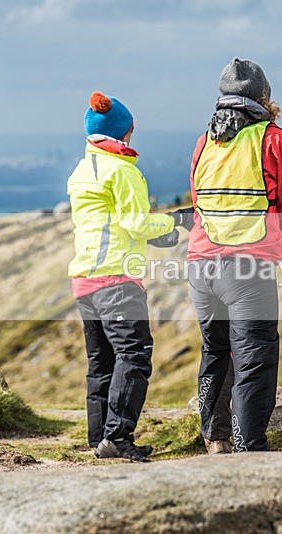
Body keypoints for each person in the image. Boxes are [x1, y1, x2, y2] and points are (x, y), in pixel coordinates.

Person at [186, 58, 282, 452]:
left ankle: (215, 439)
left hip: (200, 267)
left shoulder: (205, 141)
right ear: (264, 98)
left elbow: (196, 199)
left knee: (215, 351)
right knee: (254, 357)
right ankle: (248, 448)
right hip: (248, 271)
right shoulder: (273, 139)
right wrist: (277, 239)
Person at [68, 91, 194, 462]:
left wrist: (160, 231)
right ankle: (118, 436)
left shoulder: (81, 171)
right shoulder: (123, 171)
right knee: (134, 355)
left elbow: (113, 222)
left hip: (84, 279)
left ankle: (99, 438)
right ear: (123, 131)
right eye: (132, 129)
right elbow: (137, 222)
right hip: (117, 279)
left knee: (101, 361)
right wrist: (175, 221)